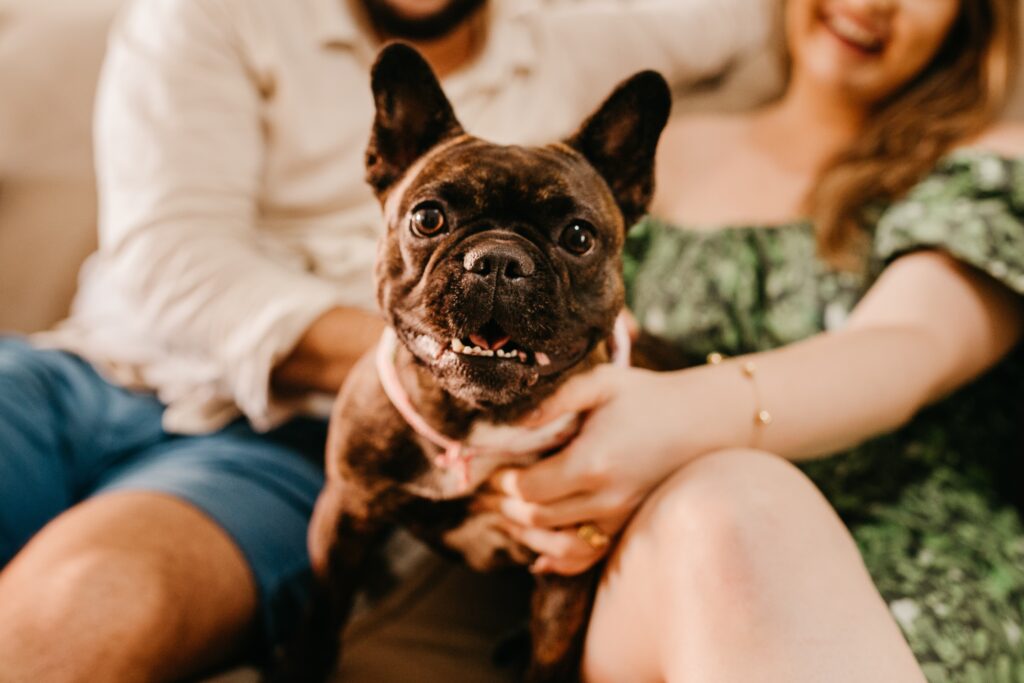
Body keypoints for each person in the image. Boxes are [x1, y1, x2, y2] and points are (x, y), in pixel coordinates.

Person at [0, 0, 775, 679]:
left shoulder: (574, 41)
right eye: (433, 221)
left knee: (78, 609)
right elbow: (167, 261)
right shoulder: (211, 10)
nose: (495, 268)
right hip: (77, 369)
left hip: (271, 439)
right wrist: (431, 369)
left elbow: (745, 14)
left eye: (570, 235)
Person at [484, 0, 1024, 680]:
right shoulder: (625, 160)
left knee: (740, 500)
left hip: (923, 583)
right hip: (653, 578)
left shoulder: (990, 165)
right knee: (725, 515)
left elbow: (911, 341)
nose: (869, 4)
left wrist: (679, 417)